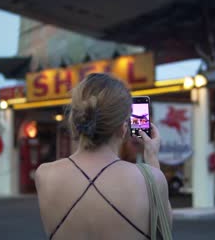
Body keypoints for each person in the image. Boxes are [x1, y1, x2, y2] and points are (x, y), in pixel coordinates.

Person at [35, 73, 172, 240]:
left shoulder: (44, 175)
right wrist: (151, 156)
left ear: (75, 122)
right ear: (123, 128)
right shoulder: (151, 179)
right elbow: (163, 232)